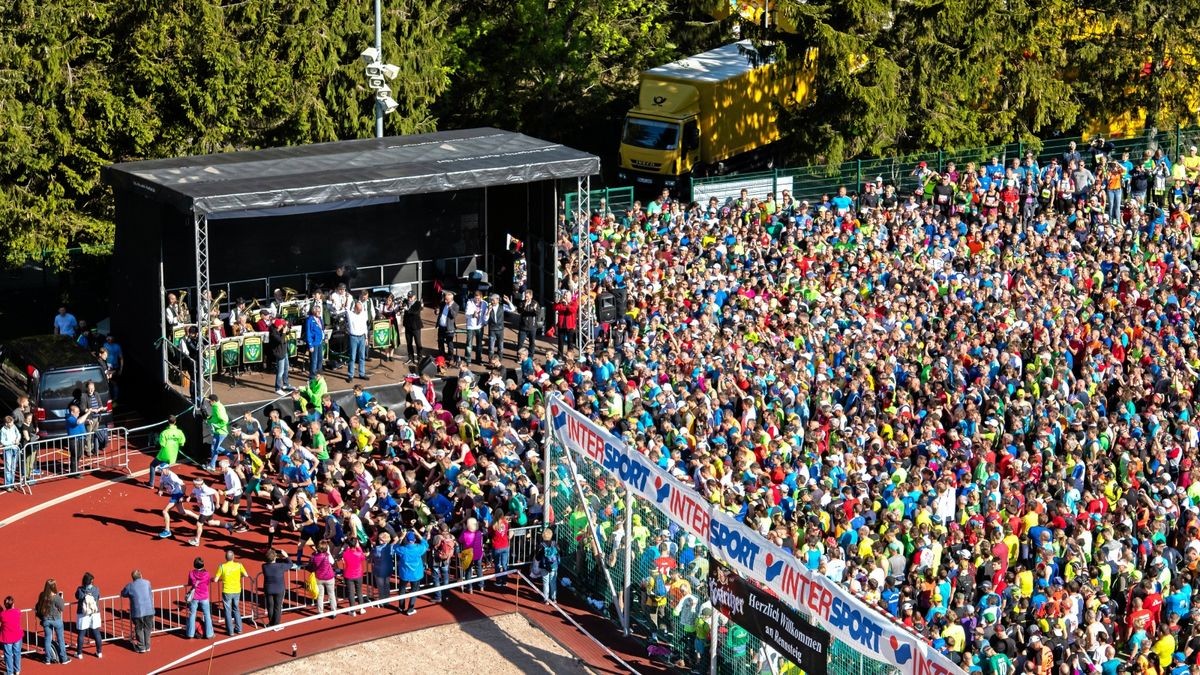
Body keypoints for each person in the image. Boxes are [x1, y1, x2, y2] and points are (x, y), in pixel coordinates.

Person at [213, 549, 249, 636]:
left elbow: (215, 579)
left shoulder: (222, 566)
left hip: (227, 591)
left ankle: (230, 631)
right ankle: (239, 628)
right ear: (233, 557)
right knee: (236, 609)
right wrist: (238, 576)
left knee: (227, 611)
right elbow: (246, 575)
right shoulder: (239, 565)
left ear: (226, 558)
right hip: (237, 590)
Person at [395, 527, 429, 615]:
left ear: (406, 539)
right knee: (414, 591)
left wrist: (401, 537)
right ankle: (410, 609)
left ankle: (401, 606)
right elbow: (425, 544)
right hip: (416, 574)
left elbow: (395, 547)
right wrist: (418, 534)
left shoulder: (403, 549)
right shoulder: (418, 548)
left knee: (402, 589)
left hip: (405, 573)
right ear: (414, 539)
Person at [35, 578, 67, 664]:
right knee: (60, 639)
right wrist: (61, 598)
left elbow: (38, 605)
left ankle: (47, 659)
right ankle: (64, 659)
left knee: (47, 639)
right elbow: (62, 608)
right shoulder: (56, 598)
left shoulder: (42, 595)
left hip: (46, 620)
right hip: (56, 620)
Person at [121, 570, 153, 654]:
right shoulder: (147, 582)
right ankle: (147, 645)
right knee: (147, 628)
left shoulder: (130, 586)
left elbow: (123, 593)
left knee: (139, 628)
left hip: (137, 611)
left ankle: (142, 646)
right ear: (141, 575)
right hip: (149, 610)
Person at [184, 476, 222, 547]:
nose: (193, 485)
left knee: (199, 524)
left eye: (195, 484)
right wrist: (189, 497)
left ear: (199, 484)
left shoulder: (205, 489)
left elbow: (216, 493)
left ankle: (196, 540)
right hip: (204, 509)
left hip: (206, 510)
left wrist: (217, 503)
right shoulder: (196, 487)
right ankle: (227, 525)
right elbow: (193, 492)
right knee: (210, 522)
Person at [150, 415, 185, 488]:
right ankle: (168, 485)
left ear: (168, 422)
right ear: (175, 422)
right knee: (166, 469)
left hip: (164, 454)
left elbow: (162, 444)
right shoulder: (179, 432)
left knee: (153, 465)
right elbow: (182, 442)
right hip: (173, 455)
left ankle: (151, 484)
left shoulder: (164, 433)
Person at [74, 572, 102, 659]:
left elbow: (76, 596)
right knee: (96, 633)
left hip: (83, 614)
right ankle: (99, 652)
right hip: (94, 613)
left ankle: (79, 654)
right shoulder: (96, 589)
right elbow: (98, 597)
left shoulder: (80, 589)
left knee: (81, 634)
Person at [185, 557, 214, 640]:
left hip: (194, 597)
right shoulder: (207, 574)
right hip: (204, 597)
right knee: (207, 615)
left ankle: (190, 634)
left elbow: (190, 583)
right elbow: (208, 582)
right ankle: (209, 634)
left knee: (192, 615)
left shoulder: (191, 573)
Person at [261, 549, 290, 626]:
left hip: (268, 589)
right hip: (279, 589)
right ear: (275, 557)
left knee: (270, 606)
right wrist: (286, 556)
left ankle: (271, 623)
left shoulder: (264, 566)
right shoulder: (280, 566)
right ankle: (276, 623)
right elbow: (290, 564)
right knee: (277, 606)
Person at [308, 540, 337, 617]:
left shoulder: (314, 556)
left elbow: (310, 564)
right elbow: (333, 562)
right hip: (329, 577)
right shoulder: (327, 556)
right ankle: (333, 611)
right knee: (331, 594)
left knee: (320, 596)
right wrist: (329, 552)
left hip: (319, 578)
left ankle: (320, 612)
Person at [158, 466, 188, 538]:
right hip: (174, 494)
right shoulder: (163, 474)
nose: (161, 471)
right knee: (181, 512)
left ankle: (167, 531)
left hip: (177, 494)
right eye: (161, 470)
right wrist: (160, 490)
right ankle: (197, 517)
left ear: (167, 469)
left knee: (165, 511)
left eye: (162, 469)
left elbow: (184, 485)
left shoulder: (173, 476)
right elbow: (161, 483)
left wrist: (182, 495)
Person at [341, 538, 367, 614]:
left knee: (351, 593)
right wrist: (359, 547)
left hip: (348, 575)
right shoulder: (359, 553)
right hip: (358, 575)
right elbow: (363, 558)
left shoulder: (345, 553)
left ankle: (353, 611)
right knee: (359, 591)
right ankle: (361, 608)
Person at [458, 517, 485, 593]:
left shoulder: (465, 533)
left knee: (468, 571)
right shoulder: (479, 533)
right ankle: (481, 586)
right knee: (479, 569)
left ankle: (469, 588)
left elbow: (460, 540)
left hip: (468, 555)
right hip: (478, 554)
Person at [370, 530, 395, 611]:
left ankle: (382, 601)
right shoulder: (390, 547)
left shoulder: (377, 549)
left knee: (381, 587)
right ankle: (387, 600)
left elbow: (373, 556)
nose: (379, 540)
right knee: (386, 585)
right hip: (388, 569)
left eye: (380, 539)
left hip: (379, 570)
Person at [430, 523, 455, 602]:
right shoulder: (451, 536)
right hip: (446, 560)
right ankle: (446, 595)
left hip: (437, 560)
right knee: (445, 577)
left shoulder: (437, 537)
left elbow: (433, 545)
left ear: (440, 530)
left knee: (436, 578)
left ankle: (438, 597)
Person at [345, 299, 369, 382]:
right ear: (355, 308)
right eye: (358, 309)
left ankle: (362, 373)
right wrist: (347, 297)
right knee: (352, 357)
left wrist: (366, 338)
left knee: (362, 356)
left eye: (361, 309)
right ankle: (350, 375)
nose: (360, 311)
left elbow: (365, 327)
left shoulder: (363, 314)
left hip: (362, 337)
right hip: (353, 337)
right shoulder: (350, 314)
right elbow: (346, 307)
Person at [268, 315, 292, 395]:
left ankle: (285, 384)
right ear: (278, 326)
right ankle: (277, 388)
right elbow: (281, 341)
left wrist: (287, 327)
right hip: (279, 353)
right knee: (280, 371)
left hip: (284, 351)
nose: (282, 326)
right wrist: (284, 332)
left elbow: (288, 332)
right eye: (281, 325)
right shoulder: (273, 333)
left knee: (286, 368)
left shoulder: (280, 329)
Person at [204, 394, 228, 471]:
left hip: (221, 432)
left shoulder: (218, 408)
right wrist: (209, 419)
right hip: (218, 432)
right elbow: (215, 417)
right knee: (215, 448)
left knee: (214, 448)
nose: (209, 403)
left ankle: (212, 466)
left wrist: (215, 426)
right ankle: (231, 456)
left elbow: (224, 420)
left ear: (213, 401)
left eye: (209, 402)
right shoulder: (215, 406)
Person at [536, 528, 559, 603]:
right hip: (554, 566)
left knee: (545, 582)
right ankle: (554, 598)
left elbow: (537, 557)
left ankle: (546, 599)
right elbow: (559, 552)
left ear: (543, 536)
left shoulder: (542, 545)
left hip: (544, 566)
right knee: (553, 582)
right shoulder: (554, 543)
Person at [515, 288, 540, 356]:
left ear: (531, 296)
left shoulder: (535, 303)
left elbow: (538, 313)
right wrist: (524, 306)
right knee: (520, 343)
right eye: (525, 296)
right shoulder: (522, 303)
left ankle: (531, 356)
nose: (526, 298)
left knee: (532, 343)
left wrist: (535, 309)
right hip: (523, 327)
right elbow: (519, 311)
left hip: (532, 327)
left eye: (527, 296)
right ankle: (519, 356)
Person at [464, 290, 486, 365]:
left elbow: (485, 314)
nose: (477, 300)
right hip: (471, 327)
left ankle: (478, 359)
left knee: (479, 344)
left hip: (479, 326)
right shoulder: (469, 303)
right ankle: (468, 359)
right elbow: (466, 314)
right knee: (469, 344)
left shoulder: (484, 303)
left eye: (478, 299)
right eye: (476, 298)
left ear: (481, 297)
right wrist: (473, 315)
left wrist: (484, 322)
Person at [400, 291, 423, 363]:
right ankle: (411, 358)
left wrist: (407, 309)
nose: (409, 298)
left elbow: (415, 312)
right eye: (408, 297)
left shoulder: (418, 303)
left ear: (414, 297)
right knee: (409, 343)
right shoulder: (405, 301)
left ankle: (420, 358)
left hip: (416, 326)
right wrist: (401, 307)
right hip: (408, 326)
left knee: (418, 343)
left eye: (410, 297)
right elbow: (402, 307)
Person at [1, 596, 21, 675]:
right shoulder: (17, 611)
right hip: (17, 636)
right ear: (13, 604)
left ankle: (10, 672)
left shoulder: (2, 614)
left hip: (7, 638)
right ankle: (17, 670)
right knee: (17, 653)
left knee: (8, 655)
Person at [304, 306, 325, 377]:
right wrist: (310, 345)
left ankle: (319, 373)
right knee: (314, 360)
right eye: (318, 311)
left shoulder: (320, 319)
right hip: (314, 342)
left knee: (320, 358)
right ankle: (312, 375)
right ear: (314, 311)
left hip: (320, 341)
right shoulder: (309, 320)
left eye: (320, 311)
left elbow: (322, 329)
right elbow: (308, 333)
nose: (319, 313)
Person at [436, 290, 458, 358]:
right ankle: (442, 355)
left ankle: (450, 357)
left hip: (449, 328)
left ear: (451, 299)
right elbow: (439, 311)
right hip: (441, 326)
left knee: (449, 343)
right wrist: (436, 311)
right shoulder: (443, 304)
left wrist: (450, 307)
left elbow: (453, 316)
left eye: (447, 300)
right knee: (440, 341)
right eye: (445, 299)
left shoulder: (455, 306)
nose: (445, 301)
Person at [1, 416, 20, 489]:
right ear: (6, 423)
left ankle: (12, 483)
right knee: (8, 467)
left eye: (12, 422)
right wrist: (11, 443)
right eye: (11, 423)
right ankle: (8, 485)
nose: (12, 424)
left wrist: (18, 439)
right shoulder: (2, 430)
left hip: (15, 448)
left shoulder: (14, 427)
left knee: (13, 467)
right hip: (8, 450)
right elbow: (2, 441)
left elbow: (18, 434)